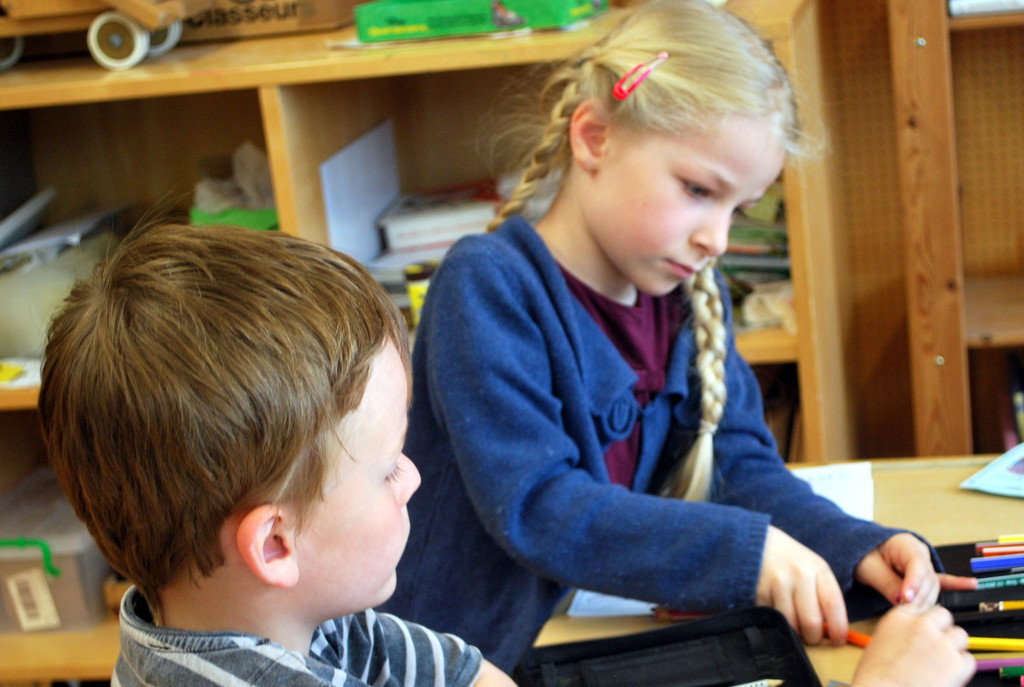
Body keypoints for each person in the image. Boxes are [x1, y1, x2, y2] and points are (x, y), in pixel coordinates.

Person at [379, 0, 977, 675]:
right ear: (594, 138)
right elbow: (539, 506)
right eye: (698, 190)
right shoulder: (485, 287)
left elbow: (739, 468)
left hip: (581, 646)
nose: (716, 239)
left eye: (738, 208)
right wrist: (749, 551)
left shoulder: (687, 295)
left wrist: (850, 545)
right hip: (468, 662)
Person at [37, 223, 514, 687]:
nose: (412, 477)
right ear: (275, 544)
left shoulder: (292, 615)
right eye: (388, 470)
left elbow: (462, 672)